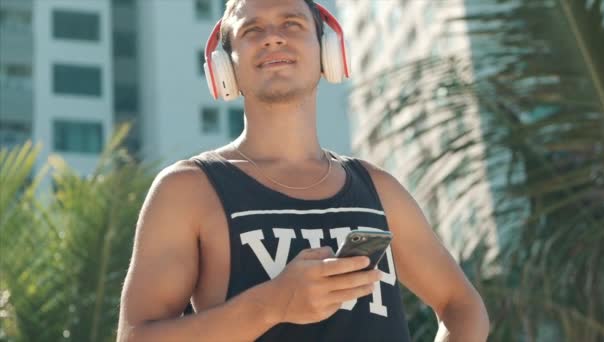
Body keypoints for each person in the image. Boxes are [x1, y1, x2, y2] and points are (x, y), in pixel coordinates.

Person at [116, 0, 490, 341]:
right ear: (224, 66)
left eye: (291, 24)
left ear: (328, 52)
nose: (273, 38)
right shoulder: (188, 190)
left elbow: (463, 307)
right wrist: (271, 305)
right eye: (252, 30)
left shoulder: (378, 188)